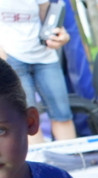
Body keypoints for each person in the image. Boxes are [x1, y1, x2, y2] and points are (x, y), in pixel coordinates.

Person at [0, 0, 76, 142]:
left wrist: (61, 35)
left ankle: (72, 159)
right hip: (12, 58)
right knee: (26, 119)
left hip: (45, 57)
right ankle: (38, 162)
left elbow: (49, 20)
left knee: (62, 113)